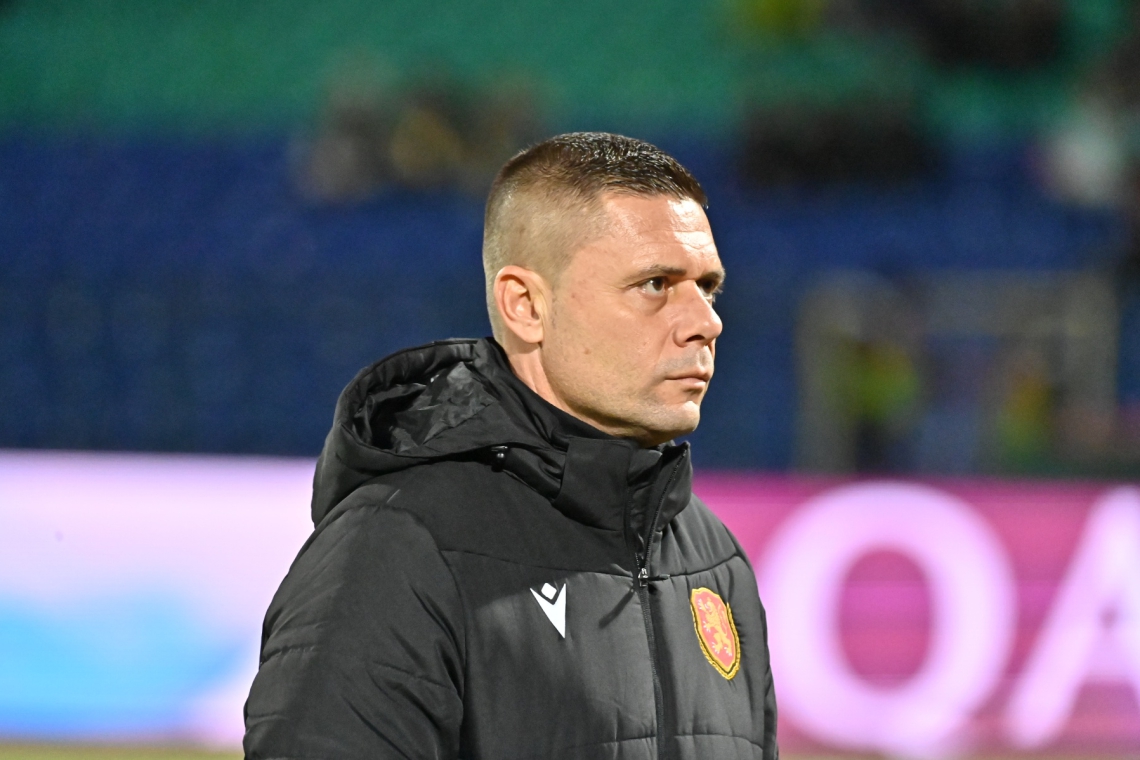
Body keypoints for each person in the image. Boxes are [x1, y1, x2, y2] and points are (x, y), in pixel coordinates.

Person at [243, 132, 779, 759]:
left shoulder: (715, 559)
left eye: (707, 287)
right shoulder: (396, 549)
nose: (706, 322)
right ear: (525, 306)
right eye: (656, 283)